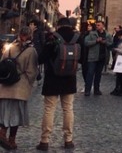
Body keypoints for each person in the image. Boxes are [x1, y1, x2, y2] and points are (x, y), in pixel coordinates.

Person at [36, 17, 78, 151]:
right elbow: (82, 58)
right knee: (68, 109)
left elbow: (42, 58)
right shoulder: (77, 37)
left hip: (52, 78)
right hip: (69, 78)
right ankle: (68, 140)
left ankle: (44, 141)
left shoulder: (52, 37)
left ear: (58, 25)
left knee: (49, 109)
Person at [0, 26, 39, 150]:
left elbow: (2, 63)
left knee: (5, 113)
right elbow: (32, 71)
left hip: (6, 86)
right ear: (30, 36)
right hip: (20, 88)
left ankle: (2, 133)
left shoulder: (11, 47)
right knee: (16, 115)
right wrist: (29, 84)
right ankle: (11, 140)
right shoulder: (31, 51)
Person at [83, 21, 111, 96]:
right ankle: (87, 90)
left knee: (98, 74)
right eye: (96, 25)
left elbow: (111, 44)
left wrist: (105, 42)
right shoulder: (92, 34)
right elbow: (86, 42)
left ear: (103, 26)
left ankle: (96, 90)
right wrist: (96, 41)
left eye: (99, 25)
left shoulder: (107, 34)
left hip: (102, 57)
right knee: (90, 73)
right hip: (93, 57)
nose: (97, 26)